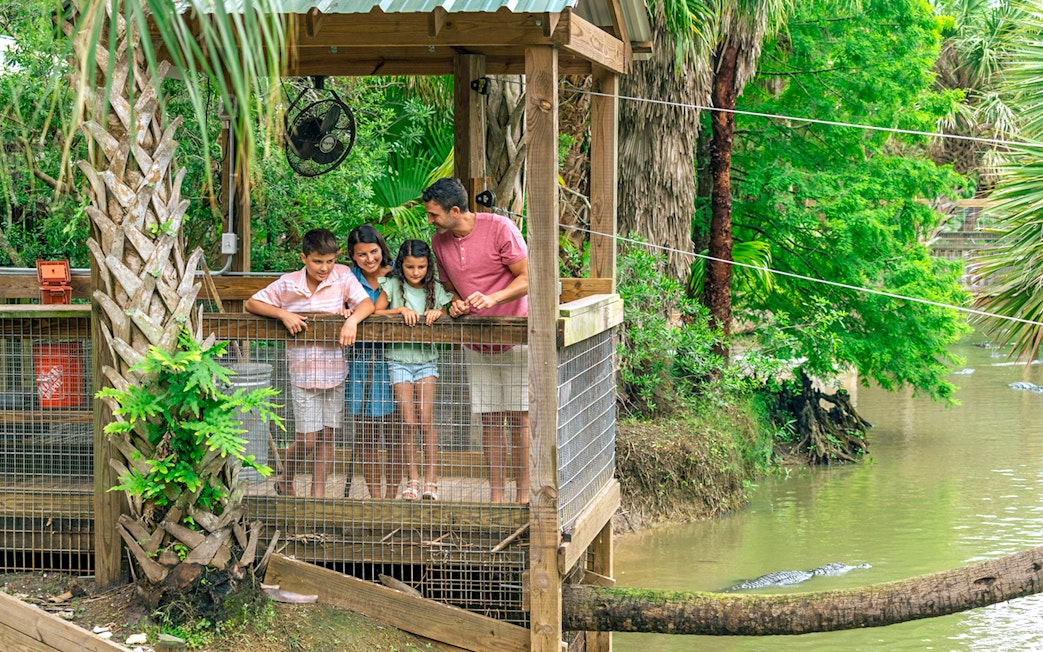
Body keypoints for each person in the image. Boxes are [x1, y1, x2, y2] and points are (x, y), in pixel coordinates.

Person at [422, 177, 530, 503]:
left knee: (519, 417)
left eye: (434, 215)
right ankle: (497, 496)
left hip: (516, 334)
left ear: (455, 210)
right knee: (490, 418)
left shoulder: (500, 227)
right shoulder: (439, 242)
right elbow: (451, 285)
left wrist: (495, 299)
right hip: (476, 341)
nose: (430, 221)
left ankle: (522, 496)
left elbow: (528, 275)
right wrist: (454, 301)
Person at [244, 228, 374, 498]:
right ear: (304, 258)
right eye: (317, 261)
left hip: (334, 371)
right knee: (307, 439)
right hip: (302, 372)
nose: (324, 268)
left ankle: (318, 493)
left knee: (328, 435)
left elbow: (365, 304)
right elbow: (251, 303)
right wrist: (282, 314)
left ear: (336, 258)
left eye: (329, 261)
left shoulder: (342, 276)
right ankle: (286, 477)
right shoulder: (288, 283)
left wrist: (351, 320)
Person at [375, 240, 453, 500]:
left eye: (421, 267)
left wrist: (436, 313)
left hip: (426, 361)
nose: (415, 272)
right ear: (401, 265)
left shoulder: (436, 289)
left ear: (428, 266)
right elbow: (377, 312)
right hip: (398, 359)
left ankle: (432, 480)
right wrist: (400, 310)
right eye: (410, 267)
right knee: (408, 421)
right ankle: (413, 479)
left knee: (425, 419)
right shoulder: (393, 286)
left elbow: (447, 310)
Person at [345, 224, 402, 499]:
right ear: (353, 257)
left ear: (381, 248)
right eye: (362, 254)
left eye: (373, 252)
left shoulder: (398, 273)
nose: (369, 259)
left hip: (394, 358)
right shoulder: (348, 278)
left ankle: (391, 496)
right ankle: (375, 498)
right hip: (360, 359)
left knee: (394, 433)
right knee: (366, 433)